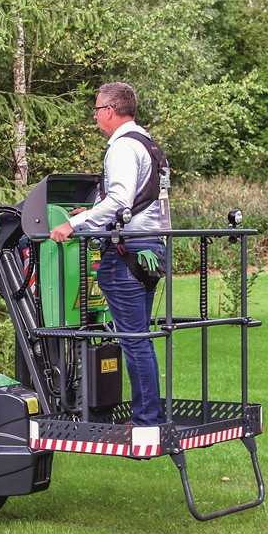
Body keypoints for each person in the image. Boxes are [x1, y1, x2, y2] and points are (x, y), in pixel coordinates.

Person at [50, 82, 167, 426]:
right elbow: (131, 203)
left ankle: (147, 420)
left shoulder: (121, 148)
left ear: (111, 111)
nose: (96, 116)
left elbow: (120, 201)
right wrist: (87, 214)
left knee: (134, 341)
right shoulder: (149, 145)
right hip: (149, 251)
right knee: (139, 339)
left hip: (127, 255)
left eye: (97, 110)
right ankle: (150, 415)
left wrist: (74, 226)